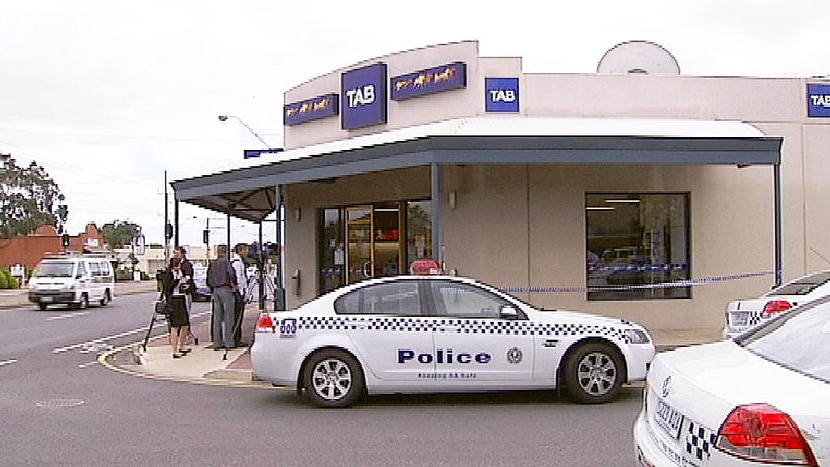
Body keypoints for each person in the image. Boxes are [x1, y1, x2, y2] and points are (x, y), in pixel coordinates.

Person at [208, 244, 237, 350]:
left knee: (217, 317)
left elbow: (209, 278)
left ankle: (217, 342)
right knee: (228, 316)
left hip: (215, 290)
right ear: (226, 251)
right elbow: (231, 274)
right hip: (225, 288)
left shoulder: (213, 263)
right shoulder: (226, 262)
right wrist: (234, 284)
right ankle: (228, 341)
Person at [165, 258, 191, 358]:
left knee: (185, 324)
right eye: (176, 266)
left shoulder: (181, 272)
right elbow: (168, 287)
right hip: (174, 300)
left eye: (179, 265)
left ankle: (182, 345)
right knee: (175, 326)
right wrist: (177, 280)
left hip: (181, 298)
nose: (178, 268)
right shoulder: (169, 275)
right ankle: (174, 350)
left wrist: (185, 282)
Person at [171, 246, 194, 347]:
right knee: (176, 321)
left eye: (177, 253)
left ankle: (185, 338)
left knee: (185, 317)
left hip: (184, 293)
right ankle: (177, 341)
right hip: (175, 296)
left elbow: (189, 276)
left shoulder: (186, 264)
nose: (176, 255)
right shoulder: (172, 265)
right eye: (174, 253)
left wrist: (183, 279)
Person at [231, 243, 249, 347]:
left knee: (238, 316)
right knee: (237, 316)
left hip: (239, 292)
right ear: (240, 251)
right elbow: (238, 278)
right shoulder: (237, 263)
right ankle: (236, 339)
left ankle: (237, 338)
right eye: (245, 250)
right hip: (238, 293)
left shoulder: (239, 262)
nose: (247, 253)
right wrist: (241, 291)